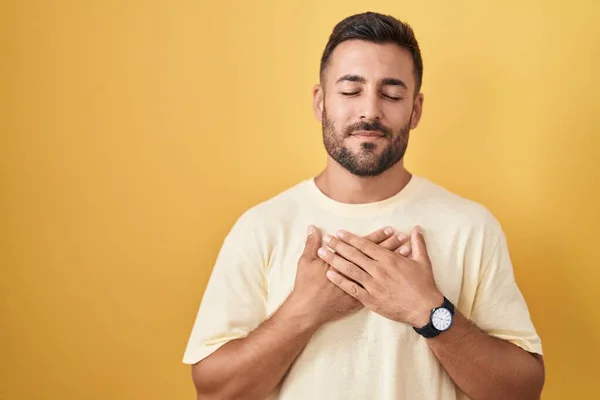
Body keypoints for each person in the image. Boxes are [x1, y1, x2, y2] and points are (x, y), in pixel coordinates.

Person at [182, 11, 545, 400]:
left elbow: (522, 391)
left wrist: (427, 310)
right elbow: (214, 392)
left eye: (391, 94)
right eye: (351, 91)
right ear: (320, 102)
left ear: (416, 110)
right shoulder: (262, 227)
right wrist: (303, 311)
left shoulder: (471, 227)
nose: (370, 110)